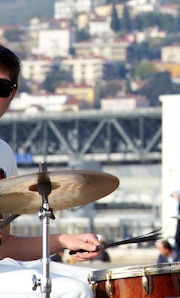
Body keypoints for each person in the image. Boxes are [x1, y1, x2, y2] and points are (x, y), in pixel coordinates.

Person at [0, 44, 103, 297]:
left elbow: (3, 246)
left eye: (2, 88)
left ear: (14, 94)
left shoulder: (4, 153)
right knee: (74, 292)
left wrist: (64, 241)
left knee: (95, 281)